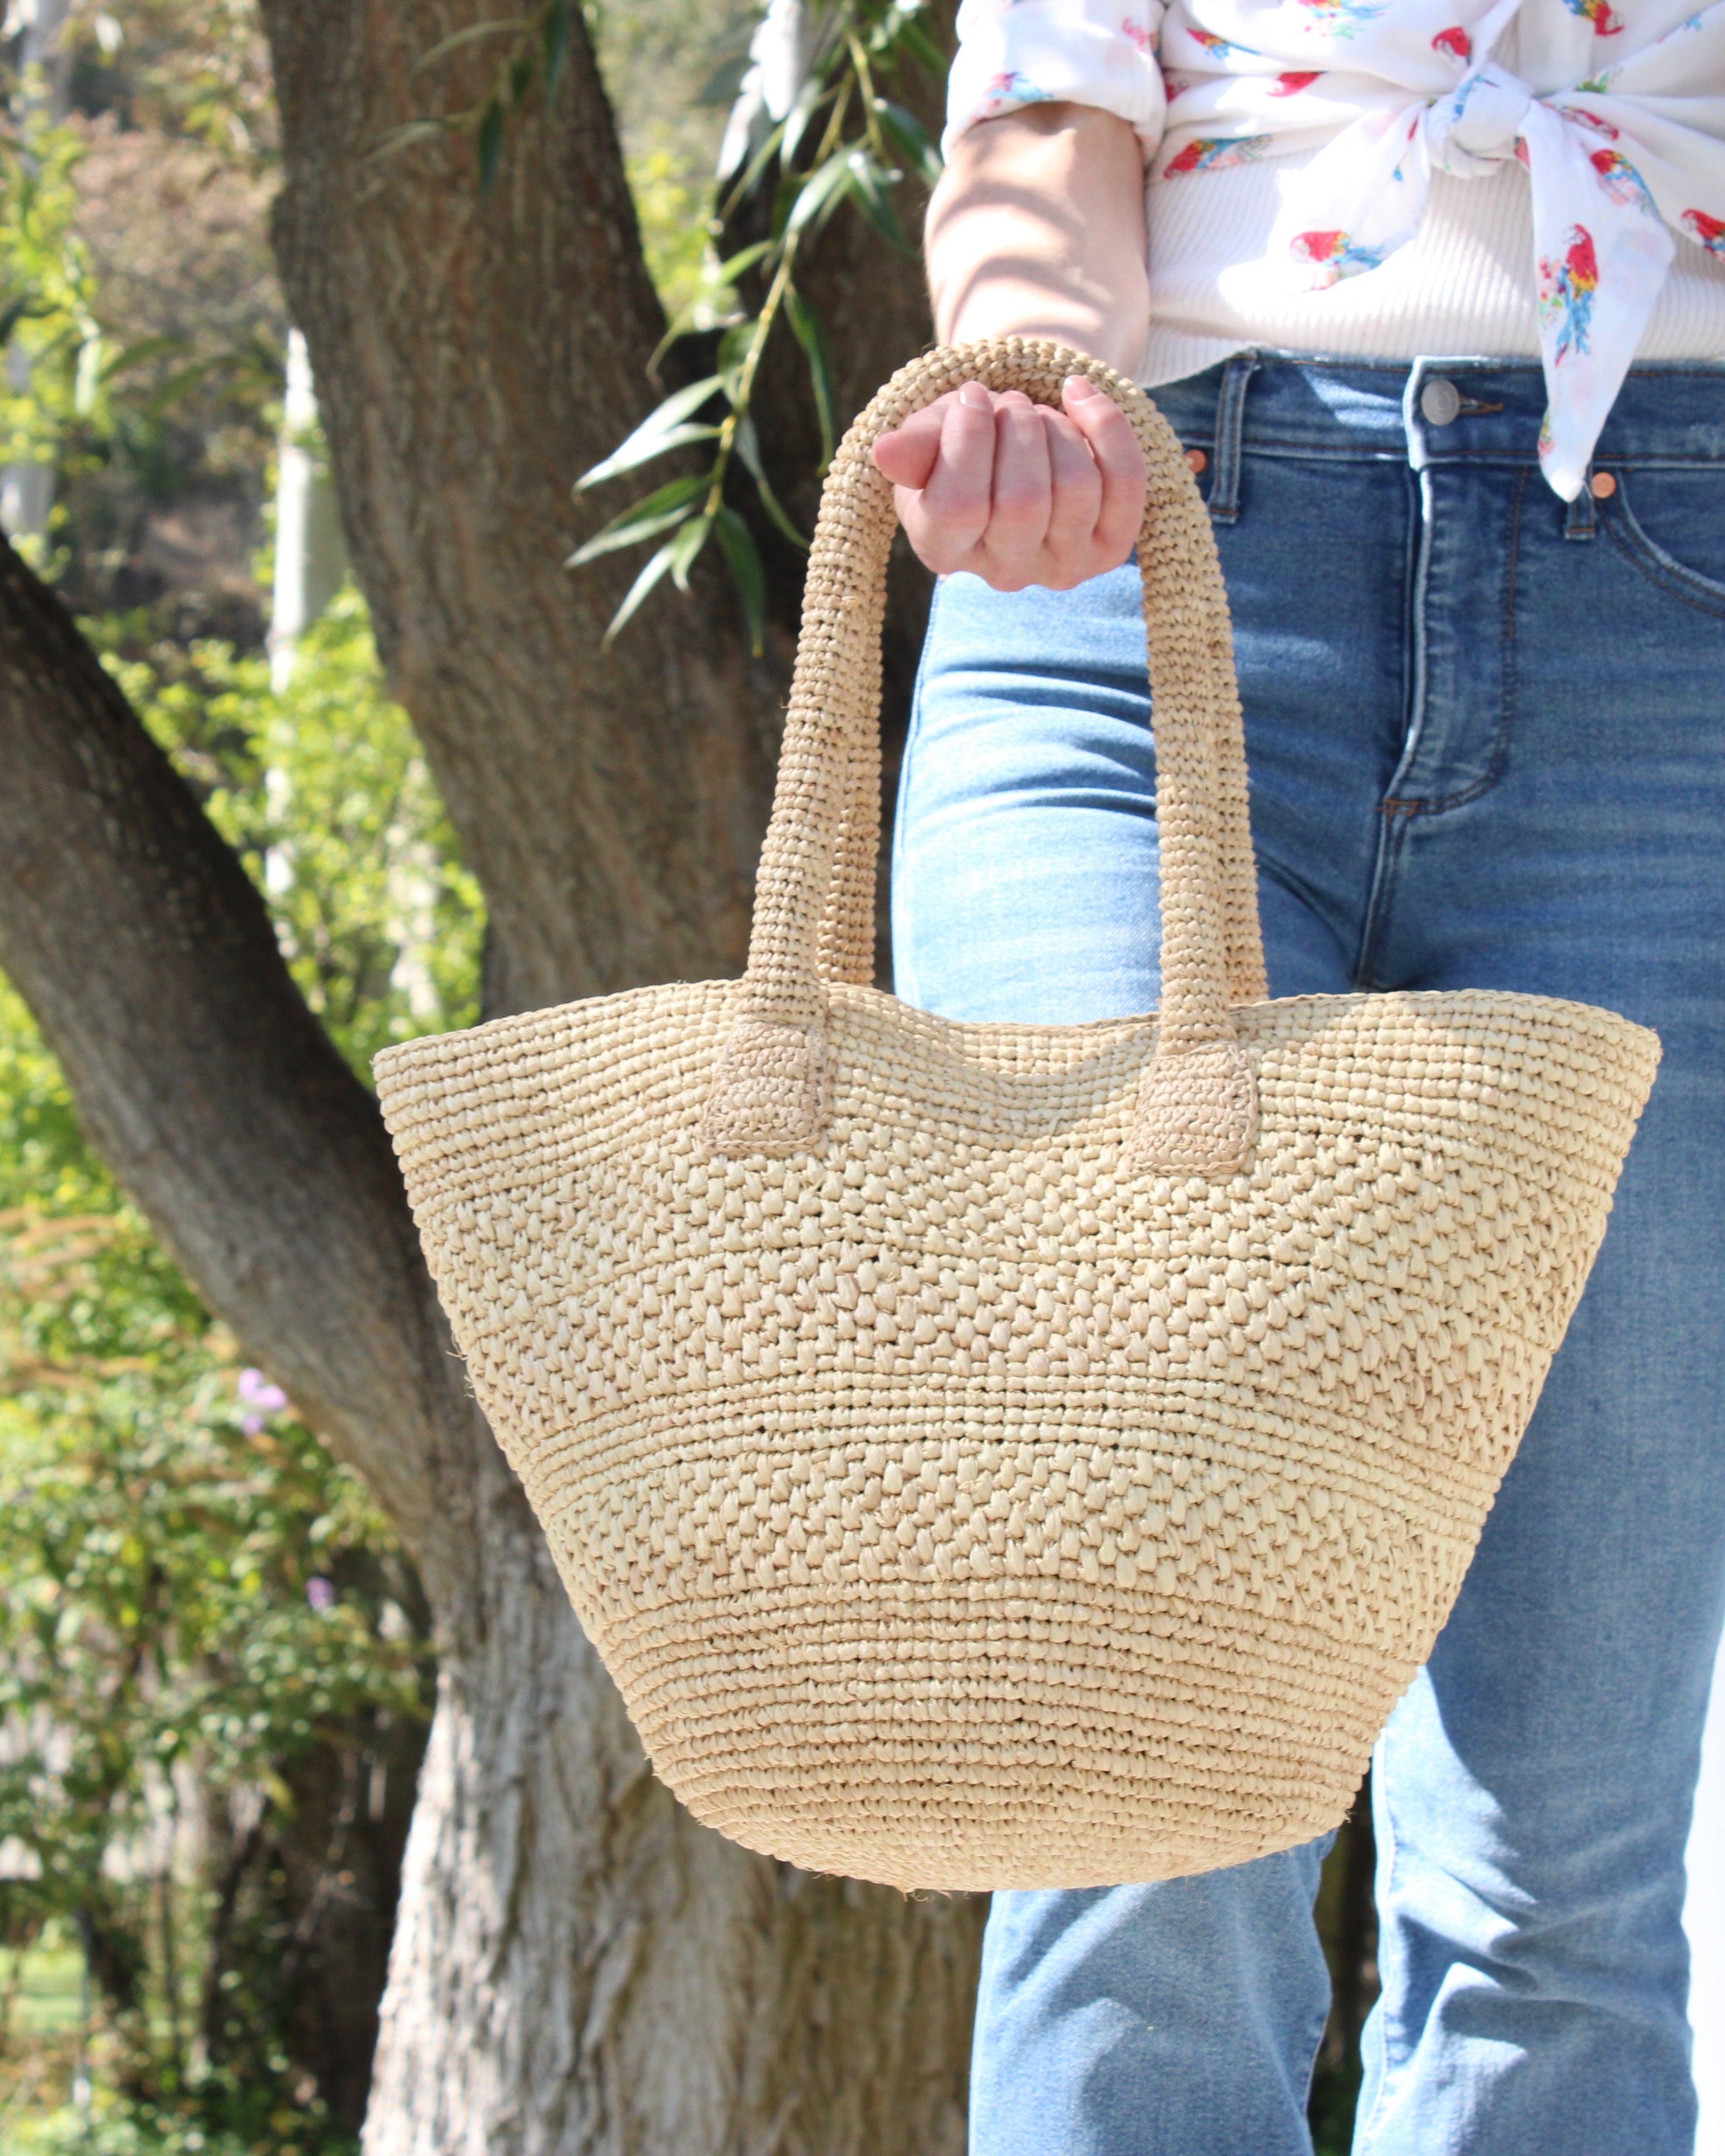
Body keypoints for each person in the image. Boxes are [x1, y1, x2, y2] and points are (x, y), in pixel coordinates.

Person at [871, 1, 1725, 2149]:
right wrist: (1026, 378)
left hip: (1671, 610)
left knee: (1558, 1881)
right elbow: (1045, 114)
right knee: (1139, 1777)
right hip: (1138, 575)